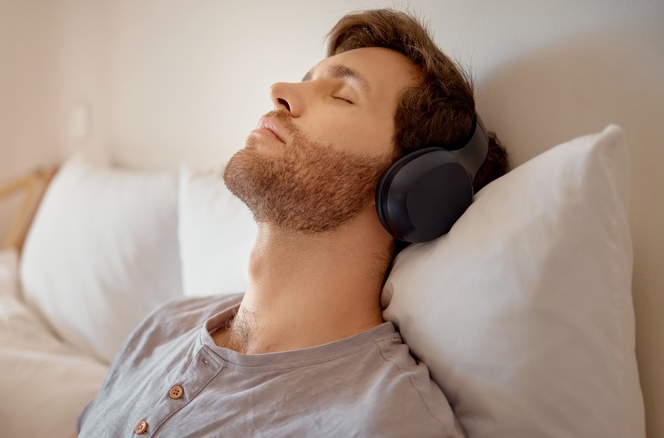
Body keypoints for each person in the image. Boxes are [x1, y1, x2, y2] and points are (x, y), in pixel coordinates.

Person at [76, 8, 508, 437]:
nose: (279, 91)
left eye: (343, 95)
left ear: (416, 186)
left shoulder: (387, 422)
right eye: (307, 79)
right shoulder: (163, 326)